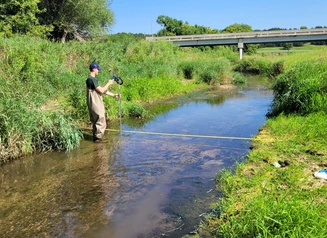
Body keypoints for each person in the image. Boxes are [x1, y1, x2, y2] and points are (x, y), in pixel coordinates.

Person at [86, 62, 119, 142]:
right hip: (95, 102)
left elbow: (102, 90)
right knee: (100, 119)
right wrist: (109, 83)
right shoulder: (91, 79)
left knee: (96, 119)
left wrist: (114, 95)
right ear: (94, 69)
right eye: (98, 69)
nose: (99, 71)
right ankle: (98, 140)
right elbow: (101, 90)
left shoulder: (92, 80)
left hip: (94, 102)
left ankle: (96, 138)